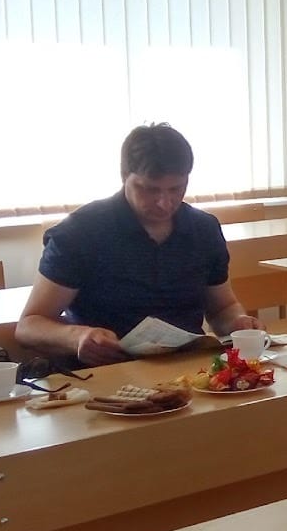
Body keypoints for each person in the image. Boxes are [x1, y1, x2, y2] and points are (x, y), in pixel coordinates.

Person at [16, 123, 260, 366]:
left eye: (176, 189)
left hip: (188, 369)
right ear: (124, 177)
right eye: (150, 190)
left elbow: (222, 308)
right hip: (106, 371)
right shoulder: (79, 233)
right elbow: (29, 326)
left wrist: (238, 322)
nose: (164, 202)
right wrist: (77, 337)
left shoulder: (203, 229)